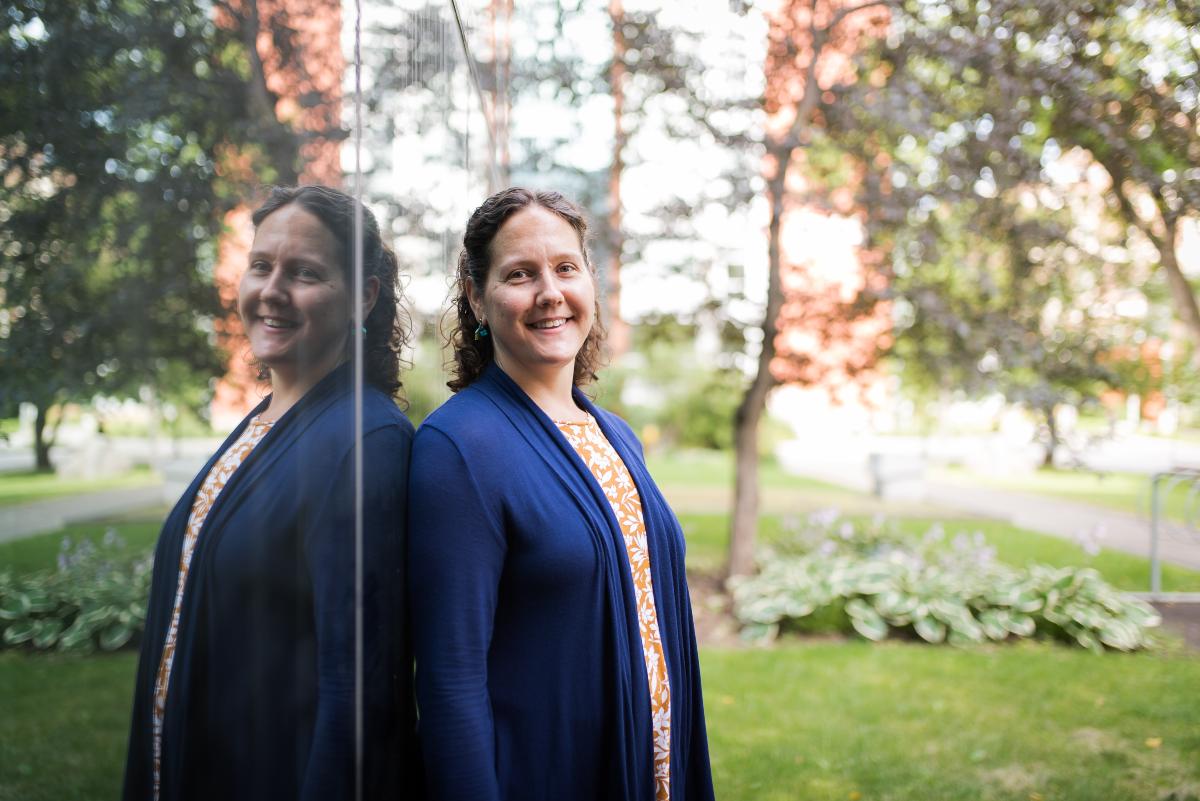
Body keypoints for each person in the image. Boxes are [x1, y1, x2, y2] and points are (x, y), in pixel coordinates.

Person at [408, 187, 715, 801]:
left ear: (590, 283)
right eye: (520, 274)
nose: (550, 292)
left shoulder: (615, 433)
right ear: (476, 295)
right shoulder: (460, 446)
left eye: (565, 268)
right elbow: (450, 679)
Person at [122, 185, 416, 801]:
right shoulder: (263, 421)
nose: (271, 291)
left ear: (362, 296)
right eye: (261, 266)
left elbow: (360, 690)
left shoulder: (366, 442)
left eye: (304, 273)